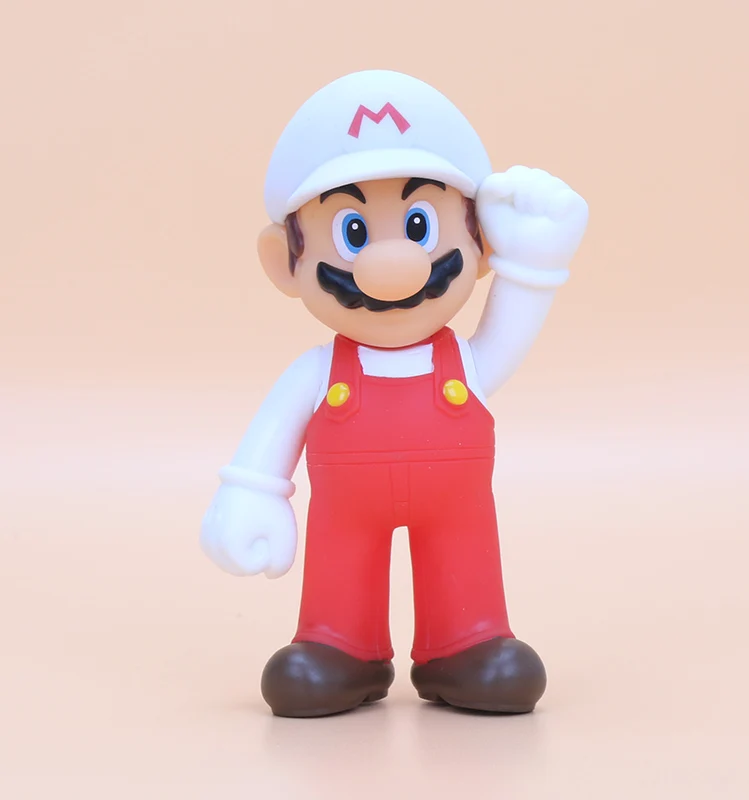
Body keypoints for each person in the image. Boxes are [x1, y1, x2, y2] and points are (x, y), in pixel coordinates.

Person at [201, 69, 589, 718]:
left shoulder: (468, 362)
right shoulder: (317, 373)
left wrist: (535, 262)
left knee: (463, 560)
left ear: (481, 244)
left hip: (455, 508)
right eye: (353, 233)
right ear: (284, 262)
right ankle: (338, 645)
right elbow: (270, 439)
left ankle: (466, 642)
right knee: (340, 567)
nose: (392, 265)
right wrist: (251, 492)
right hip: (344, 513)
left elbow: (508, 335)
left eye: (418, 225)